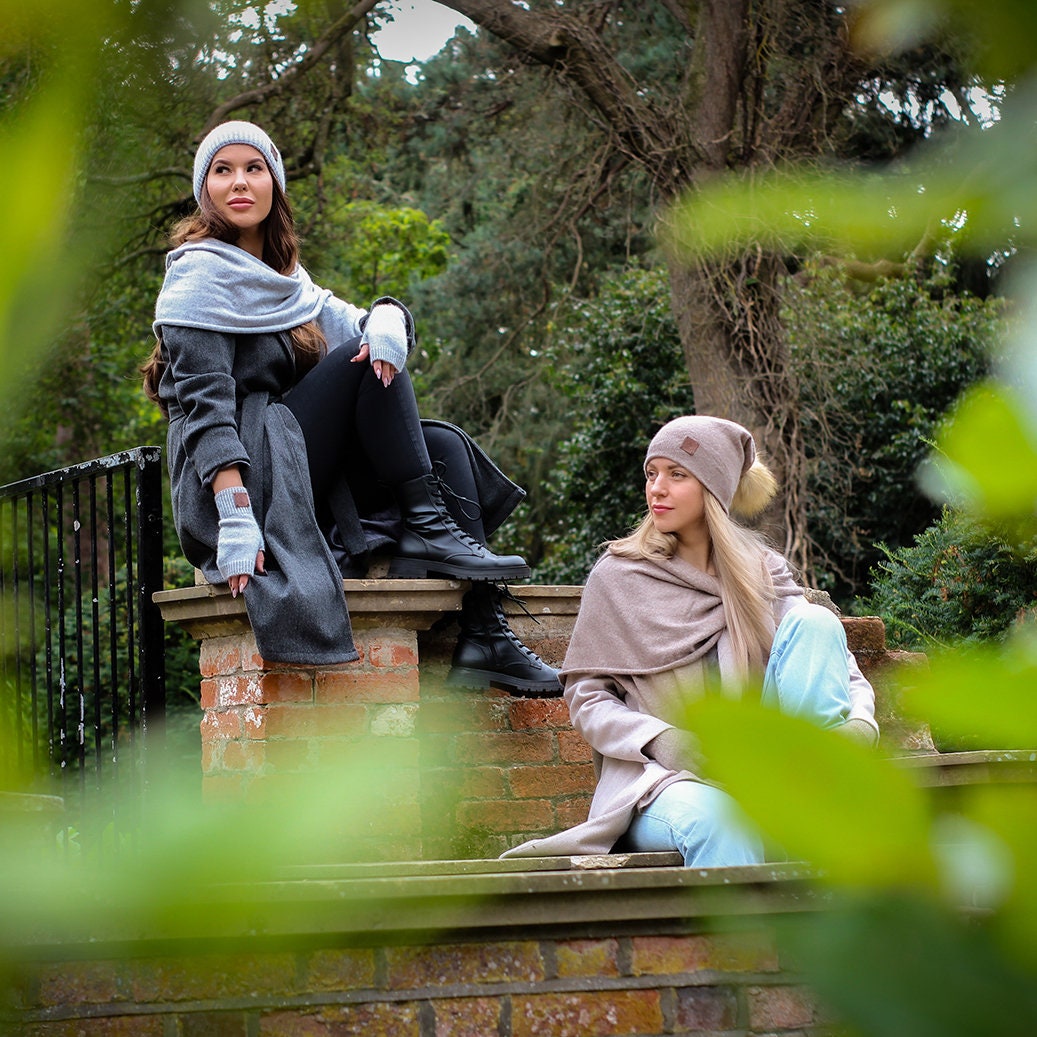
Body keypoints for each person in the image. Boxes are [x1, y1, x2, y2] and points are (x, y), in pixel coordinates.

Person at [141, 120, 560, 696]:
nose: (239, 182)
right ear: (205, 188)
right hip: (236, 476)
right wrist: (235, 514)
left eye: (253, 168)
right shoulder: (198, 276)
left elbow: (363, 328)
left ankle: (485, 634)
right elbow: (206, 409)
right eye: (223, 170)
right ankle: (431, 532)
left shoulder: (287, 282)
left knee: (442, 445)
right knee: (361, 363)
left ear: (274, 184)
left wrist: (389, 316)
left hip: (290, 454)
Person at [502, 415, 878, 866]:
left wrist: (859, 723)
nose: (656, 488)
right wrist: (662, 740)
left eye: (676, 474)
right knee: (723, 821)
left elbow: (831, 660)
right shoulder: (619, 577)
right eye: (651, 473)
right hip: (662, 783)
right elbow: (587, 698)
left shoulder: (762, 572)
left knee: (816, 621)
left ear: (713, 488)